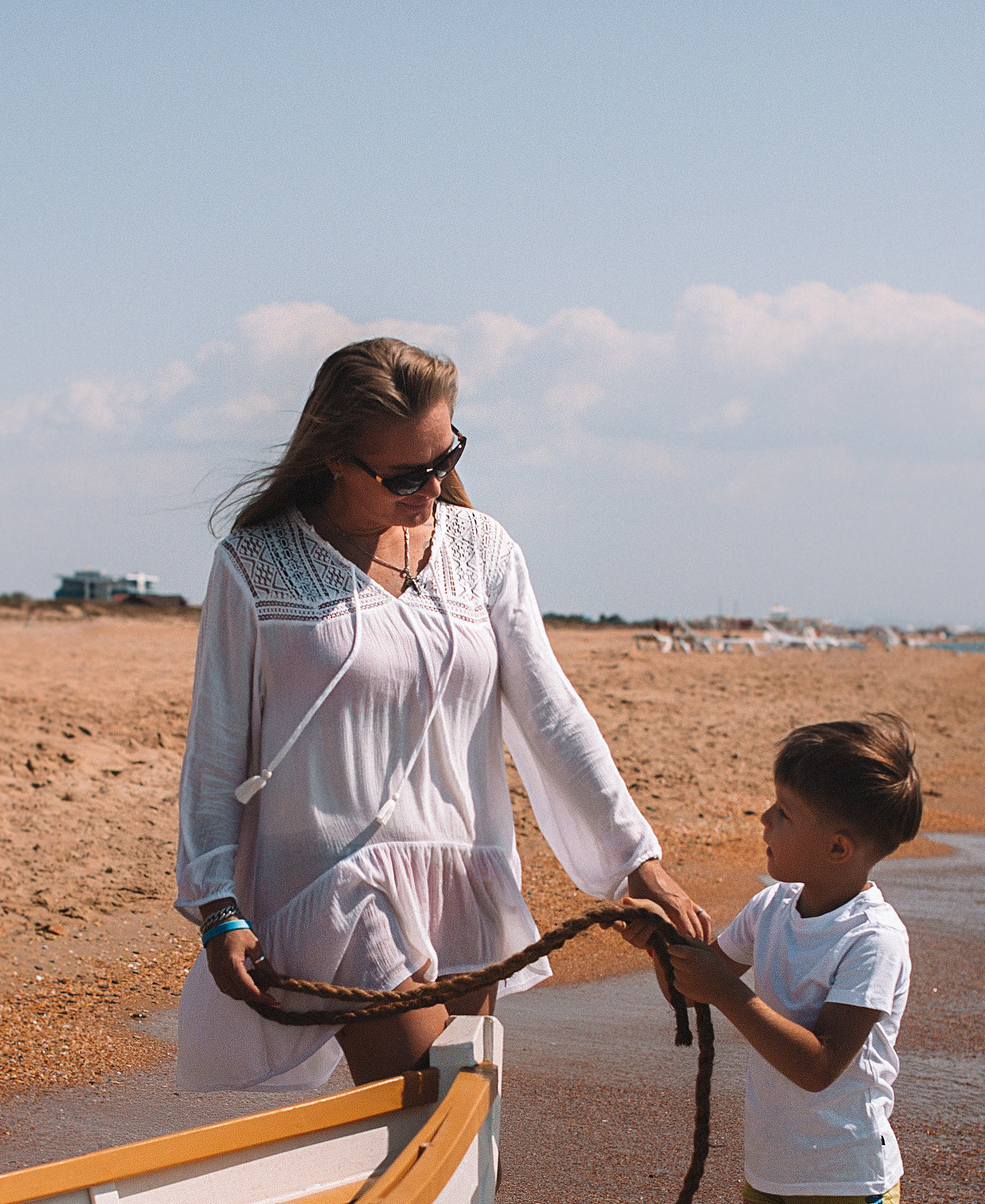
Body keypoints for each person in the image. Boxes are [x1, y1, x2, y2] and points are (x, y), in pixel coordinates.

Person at [174, 337, 711, 1089]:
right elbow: (216, 750)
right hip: (339, 888)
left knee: (462, 1139)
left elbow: (552, 714)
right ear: (333, 455)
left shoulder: (481, 548)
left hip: (464, 875)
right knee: (432, 1108)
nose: (431, 486)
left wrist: (637, 864)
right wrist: (216, 906)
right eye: (403, 473)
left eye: (444, 457)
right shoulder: (255, 564)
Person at [630, 716, 935, 1204]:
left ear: (838, 846)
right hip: (772, 1174)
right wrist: (665, 947)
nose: (763, 822)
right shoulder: (771, 910)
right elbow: (701, 977)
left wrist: (727, 991)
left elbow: (821, 1064)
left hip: (852, 1176)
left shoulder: (874, 937)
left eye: (782, 812)